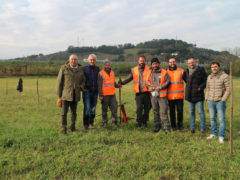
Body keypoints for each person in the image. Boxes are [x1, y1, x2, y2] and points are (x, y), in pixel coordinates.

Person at [56, 54, 85, 134]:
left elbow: (84, 81)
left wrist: (81, 87)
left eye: (75, 59)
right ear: (69, 60)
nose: (73, 61)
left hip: (76, 94)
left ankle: (73, 127)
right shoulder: (64, 68)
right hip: (65, 95)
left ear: (77, 60)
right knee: (64, 112)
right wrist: (59, 96)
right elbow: (59, 82)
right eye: (72, 59)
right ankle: (64, 128)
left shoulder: (81, 69)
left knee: (74, 112)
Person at [121, 55, 151, 127]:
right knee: (139, 108)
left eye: (143, 61)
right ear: (138, 61)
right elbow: (129, 78)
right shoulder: (134, 70)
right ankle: (139, 122)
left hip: (148, 92)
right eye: (140, 61)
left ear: (145, 61)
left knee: (147, 109)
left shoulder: (150, 69)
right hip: (138, 93)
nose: (142, 62)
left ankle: (145, 121)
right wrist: (122, 83)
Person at [205, 61, 231, 143]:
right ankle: (214, 133)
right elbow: (207, 88)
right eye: (212, 67)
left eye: (215, 66)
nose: (214, 68)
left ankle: (221, 136)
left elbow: (228, 89)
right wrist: (207, 98)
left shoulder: (224, 76)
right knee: (212, 118)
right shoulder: (209, 77)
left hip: (220, 101)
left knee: (221, 119)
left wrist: (223, 99)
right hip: (210, 101)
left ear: (219, 67)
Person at [183, 58, 207, 135]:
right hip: (190, 95)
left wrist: (200, 87)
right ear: (188, 64)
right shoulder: (186, 71)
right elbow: (185, 80)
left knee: (201, 112)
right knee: (191, 112)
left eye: (192, 62)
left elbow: (206, 81)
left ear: (195, 62)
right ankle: (192, 128)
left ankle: (203, 129)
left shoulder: (201, 70)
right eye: (189, 63)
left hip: (199, 95)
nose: (191, 64)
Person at [147, 58, 171, 133]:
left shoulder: (164, 72)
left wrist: (160, 87)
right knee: (155, 111)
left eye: (156, 63)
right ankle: (157, 126)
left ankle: (166, 127)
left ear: (159, 64)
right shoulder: (149, 72)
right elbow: (146, 82)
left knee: (164, 111)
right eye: (153, 64)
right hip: (153, 95)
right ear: (151, 65)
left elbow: (168, 81)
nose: (155, 65)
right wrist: (149, 87)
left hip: (162, 95)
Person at [98, 60, 121, 126]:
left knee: (114, 109)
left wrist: (117, 86)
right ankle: (104, 122)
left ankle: (114, 122)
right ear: (104, 66)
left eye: (108, 65)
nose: (107, 66)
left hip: (112, 94)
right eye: (106, 65)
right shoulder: (100, 73)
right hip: (104, 95)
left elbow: (113, 83)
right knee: (104, 110)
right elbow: (99, 85)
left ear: (110, 66)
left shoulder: (112, 73)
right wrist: (100, 95)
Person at [82, 54, 100, 130]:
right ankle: (86, 124)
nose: (92, 61)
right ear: (88, 60)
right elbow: (80, 79)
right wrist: (83, 88)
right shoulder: (84, 68)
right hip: (87, 91)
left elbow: (99, 80)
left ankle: (91, 123)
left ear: (95, 60)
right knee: (87, 107)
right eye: (91, 60)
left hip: (95, 91)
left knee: (93, 108)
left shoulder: (97, 69)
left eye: (94, 60)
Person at [167, 57, 184, 131]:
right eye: (170, 62)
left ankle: (180, 126)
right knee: (172, 112)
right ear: (168, 63)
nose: (172, 63)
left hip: (179, 96)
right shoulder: (165, 72)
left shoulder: (181, 71)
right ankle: (173, 126)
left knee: (180, 111)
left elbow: (188, 81)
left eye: (173, 62)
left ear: (176, 62)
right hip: (170, 96)